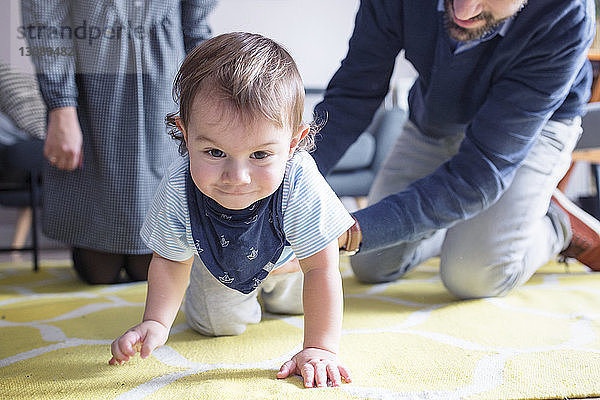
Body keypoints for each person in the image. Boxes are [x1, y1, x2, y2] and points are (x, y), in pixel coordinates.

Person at [109, 32, 355, 388]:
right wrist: (156, 322)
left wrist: (320, 347)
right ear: (185, 132)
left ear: (293, 144)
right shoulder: (179, 186)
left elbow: (321, 265)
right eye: (214, 153)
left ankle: (279, 291)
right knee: (216, 326)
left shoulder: (300, 180)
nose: (236, 178)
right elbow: (170, 259)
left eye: (260, 155)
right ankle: (236, 294)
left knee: (303, 300)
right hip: (219, 263)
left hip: (294, 261)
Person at [312, 0, 599, 299]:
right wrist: (288, 175)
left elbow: (479, 174)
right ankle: (466, 229)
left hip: (529, 129)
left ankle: (556, 224)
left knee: (472, 277)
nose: (463, 11)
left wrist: (350, 233)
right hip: (440, 115)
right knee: (371, 262)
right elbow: (352, 95)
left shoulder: (567, 13)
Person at [21, 0, 217, 284]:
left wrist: (210, 94)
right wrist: (60, 105)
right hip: (92, 93)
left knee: (151, 267)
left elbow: (195, 26)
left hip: (162, 88)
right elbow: (46, 22)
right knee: (98, 271)